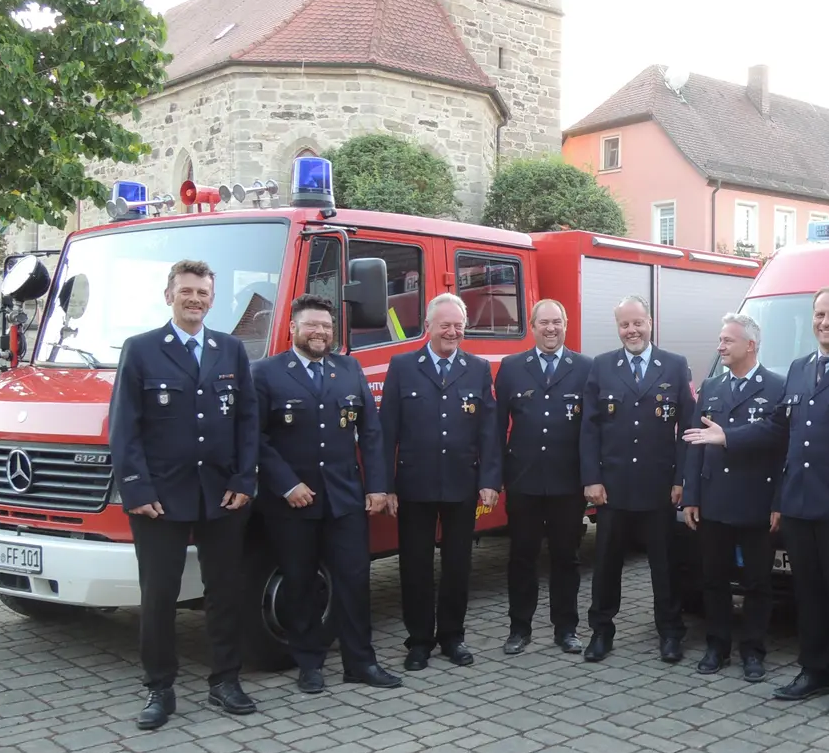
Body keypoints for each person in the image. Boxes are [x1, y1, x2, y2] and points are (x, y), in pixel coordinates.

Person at [686, 286, 829, 713]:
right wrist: (727, 435)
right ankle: (814, 670)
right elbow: (777, 429)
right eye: (819, 315)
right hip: (799, 500)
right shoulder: (800, 368)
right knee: (807, 592)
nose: (825, 322)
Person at [108, 259, 260, 730]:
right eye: (187, 291)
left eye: (203, 292)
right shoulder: (142, 350)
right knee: (158, 596)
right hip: (159, 497)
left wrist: (244, 480)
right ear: (169, 294)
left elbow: (247, 421)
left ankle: (225, 680)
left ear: (213, 299)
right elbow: (123, 427)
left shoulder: (231, 349)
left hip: (220, 495)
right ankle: (159, 688)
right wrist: (136, 488)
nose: (195, 299)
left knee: (225, 591)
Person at [252, 294, 403, 694]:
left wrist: (377, 486)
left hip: (345, 498)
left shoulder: (348, 369)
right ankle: (309, 664)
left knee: (354, 581)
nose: (319, 332)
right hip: (293, 501)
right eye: (311, 325)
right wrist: (286, 484)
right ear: (293, 329)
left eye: (326, 326)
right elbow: (256, 438)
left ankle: (360, 662)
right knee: (300, 583)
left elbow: (370, 432)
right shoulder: (266, 373)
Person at [378, 292, 501, 671]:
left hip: (462, 485)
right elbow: (387, 432)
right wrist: (386, 486)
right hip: (415, 486)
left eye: (458, 326)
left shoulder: (477, 368)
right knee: (415, 566)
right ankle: (418, 641)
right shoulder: (402, 366)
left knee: (457, 564)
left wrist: (490, 480)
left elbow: (488, 430)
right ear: (428, 326)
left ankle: (452, 637)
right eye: (444, 325)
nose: (452, 332)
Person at [580, 295, 696, 664]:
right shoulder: (601, 366)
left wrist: (682, 478)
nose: (631, 330)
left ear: (650, 322)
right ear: (618, 328)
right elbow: (589, 430)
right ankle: (601, 632)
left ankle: (671, 633)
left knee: (664, 566)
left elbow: (688, 429)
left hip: (659, 488)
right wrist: (592, 479)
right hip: (613, 488)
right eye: (624, 324)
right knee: (607, 565)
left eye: (637, 323)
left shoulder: (675, 366)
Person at [680, 313, 784, 681]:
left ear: (750, 345)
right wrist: (691, 495)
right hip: (715, 500)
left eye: (727, 341)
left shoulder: (776, 387)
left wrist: (778, 503)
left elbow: (778, 441)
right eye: (720, 340)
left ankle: (753, 651)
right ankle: (717, 646)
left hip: (757, 500)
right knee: (714, 579)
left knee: (757, 582)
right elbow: (694, 443)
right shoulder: (710, 387)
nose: (720, 346)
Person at [495, 298, 593, 656]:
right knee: (522, 557)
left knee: (566, 558)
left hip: (568, 482)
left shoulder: (585, 367)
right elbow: (495, 428)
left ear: (565, 324)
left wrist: (592, 476)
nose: (550, 329)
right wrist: (495, 477)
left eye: (557, 322)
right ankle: (519, 629)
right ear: (532, 327)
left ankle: (566, 628)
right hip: (524, 480)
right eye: (543, 323)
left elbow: (592, 428)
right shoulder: (511, 367)